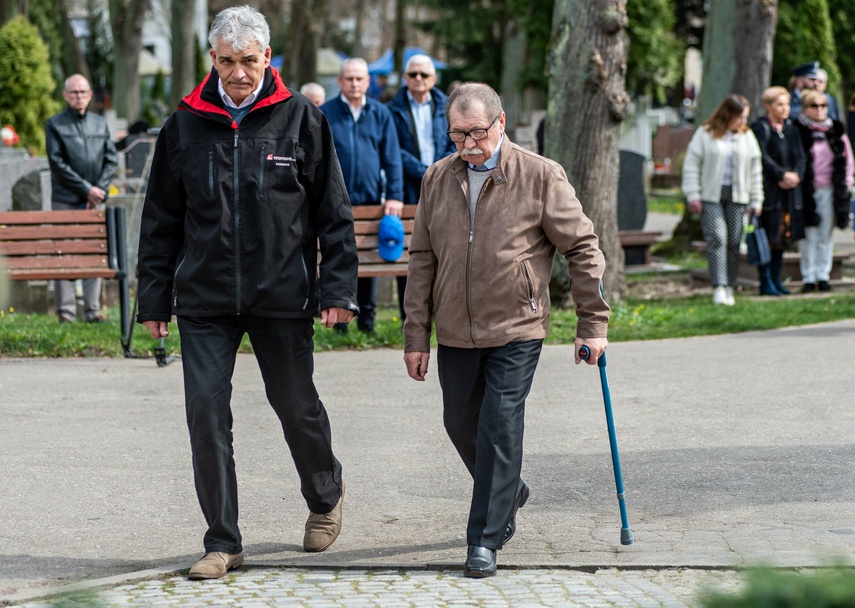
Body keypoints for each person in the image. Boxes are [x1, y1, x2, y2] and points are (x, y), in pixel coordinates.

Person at [136, 6, 358, 581]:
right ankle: (224, 540)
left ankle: (325, 492)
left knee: (295, 408)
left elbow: (332, 214)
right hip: (205, 300)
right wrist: (154, 301)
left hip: (280, 294)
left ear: (268, 59)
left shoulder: (301, 119)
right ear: (213, 59)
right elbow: (160, 220)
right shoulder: (182, 125)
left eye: (249, 61)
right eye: (227, 61)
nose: (238, 73)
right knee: (205, 418)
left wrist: (337, 287)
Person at [402, 82, 610, 578]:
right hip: (455, 329)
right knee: (459, 424)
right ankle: (509, 488)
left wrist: (592, 323)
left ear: (500, 123)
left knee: (499, 425)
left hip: (518, 325)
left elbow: (582, 247)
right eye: (457, 134)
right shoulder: (437, 178)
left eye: (477, 132)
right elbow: (422, 259)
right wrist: (416, 335)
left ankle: (485, 539)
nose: (468, 144)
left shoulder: (539, 175)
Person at [321, 58, 403, 333]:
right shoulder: (326, 113)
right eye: (349, 79)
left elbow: (392, 158)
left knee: (366, 264)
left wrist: (394, 194)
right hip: (334, 203)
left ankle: (367, 323)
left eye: (359, 79)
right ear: (340, 82)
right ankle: (339, 327)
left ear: (368, 82)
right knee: (338, 262)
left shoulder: (381, 114)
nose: (354, 83)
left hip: (370, 202)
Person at [385, 54, 456, 321]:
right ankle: (409, 316)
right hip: (409, 187)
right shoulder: (392, 109)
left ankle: (441, 313)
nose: (418, 79)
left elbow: (454, 139)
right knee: (410, 252)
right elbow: (395, 150)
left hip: (445, 185)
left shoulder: (447, 106)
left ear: (433, 78)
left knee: (443, 248)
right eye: (413, 74)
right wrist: (425, 171)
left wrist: (439, 169)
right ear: (405, 78)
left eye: (424, 75)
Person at [45, 74, 118, 323]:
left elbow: (111, 160)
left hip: (96, 199)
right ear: (66, 96)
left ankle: (92, 310)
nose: (79, 96)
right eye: (74, 92)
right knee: (63, 252)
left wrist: (99, 190)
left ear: (90, 95)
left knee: (93, 252)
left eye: (83, 92)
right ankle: (66, 312)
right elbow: (57, 163)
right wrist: (86, 189)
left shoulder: (100, 124)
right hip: (66, 198)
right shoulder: (55, 124)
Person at [681, 94, 763, 305]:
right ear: (729, 114)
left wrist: (756, 200)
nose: (743, 122)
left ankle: (729, 285)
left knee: (735, 241)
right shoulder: (705, 133)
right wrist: (693, 194)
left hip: (738, 195)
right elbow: (692, 165)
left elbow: (755, 170)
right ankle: (718, 286)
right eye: (741, 117)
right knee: (717, 238)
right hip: (711, 195)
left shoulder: (747, 136)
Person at [794, 89, 854, 292]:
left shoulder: (836, 131)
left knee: (825, 234)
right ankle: (808, 277)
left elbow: (848, 161)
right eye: (814, 106)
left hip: (830, 189)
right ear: (805, 108)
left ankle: (823, 275)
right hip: (807, 190)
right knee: (809, 234)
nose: (819, 110)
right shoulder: (798, 131)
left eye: (823, 106)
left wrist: (845, 184)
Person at [751, 86, 807, 296]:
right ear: (768, 106)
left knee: (782, 236)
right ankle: (765, 281)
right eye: (780, 104)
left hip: (790, 193)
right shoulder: (760, 128)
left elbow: (801, 156)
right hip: (770, 192)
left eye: (786, 104)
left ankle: (776, 279)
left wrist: (796, 175)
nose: (785, 109)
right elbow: (762, 156)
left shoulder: (792, 128)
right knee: (769, 236)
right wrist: (781, 174)